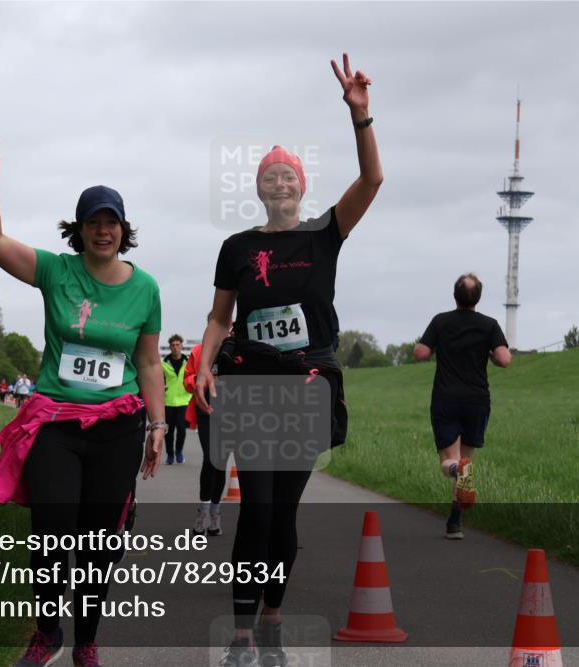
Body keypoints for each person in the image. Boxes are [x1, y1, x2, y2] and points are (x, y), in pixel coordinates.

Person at [195, 54, 382, 667]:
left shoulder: (325, 233)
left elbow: (372, 180)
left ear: (301, 186)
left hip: (307, 387)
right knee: (256, 508)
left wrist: (359, 117)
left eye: (288, 176)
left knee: (283, 514)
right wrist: (204, 368)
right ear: (258, 188)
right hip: (251, 388)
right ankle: (242, 634)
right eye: (270, 176)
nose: (279, 183)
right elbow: (220, 317)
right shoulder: (237, 247)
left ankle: (273, 617)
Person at [0, 119, 165, 667]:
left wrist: (157, 426)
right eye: (92, 222)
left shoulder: (146, 287)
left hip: (118, 426)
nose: (102, 231)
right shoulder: (56, 271)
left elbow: (148, 362)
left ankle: (86, 641)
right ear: (78, 229)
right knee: (52, 531)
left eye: (111, 222)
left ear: (124, 229)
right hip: (56, 422)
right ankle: (48, 633)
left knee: (100, 543)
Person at [413, 273, 511, 540]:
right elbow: (504, 359)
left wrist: (433, 346)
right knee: (466, 459)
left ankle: (456, 471)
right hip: (477, 400)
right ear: (478, 297)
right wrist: (490, 354)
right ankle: (455, 523)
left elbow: (421, 353)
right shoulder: (489, 325)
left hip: (446, 398)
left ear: (454, 296)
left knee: (450, 462)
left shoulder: (441, 321)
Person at [184, 324, 228, 536]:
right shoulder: (198, 351)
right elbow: (186, 382)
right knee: (211, 459)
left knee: (220, 464)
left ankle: (215, 513)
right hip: (205, 412)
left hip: (229, 414)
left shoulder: (233, 351)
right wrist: (201, 379)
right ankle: (203, 511)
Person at [161, 334, 192, 464]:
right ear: (170, 346)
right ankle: (170, 455)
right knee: (169, 431)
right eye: (173, 345)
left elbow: (193, 377)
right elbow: (159, 379)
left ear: (181, 346)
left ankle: (179, 452)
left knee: (182, 429)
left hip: (184, 400)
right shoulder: (163, 363)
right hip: (168, 401)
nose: (175, 347)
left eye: (177, 344)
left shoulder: (188, 361)